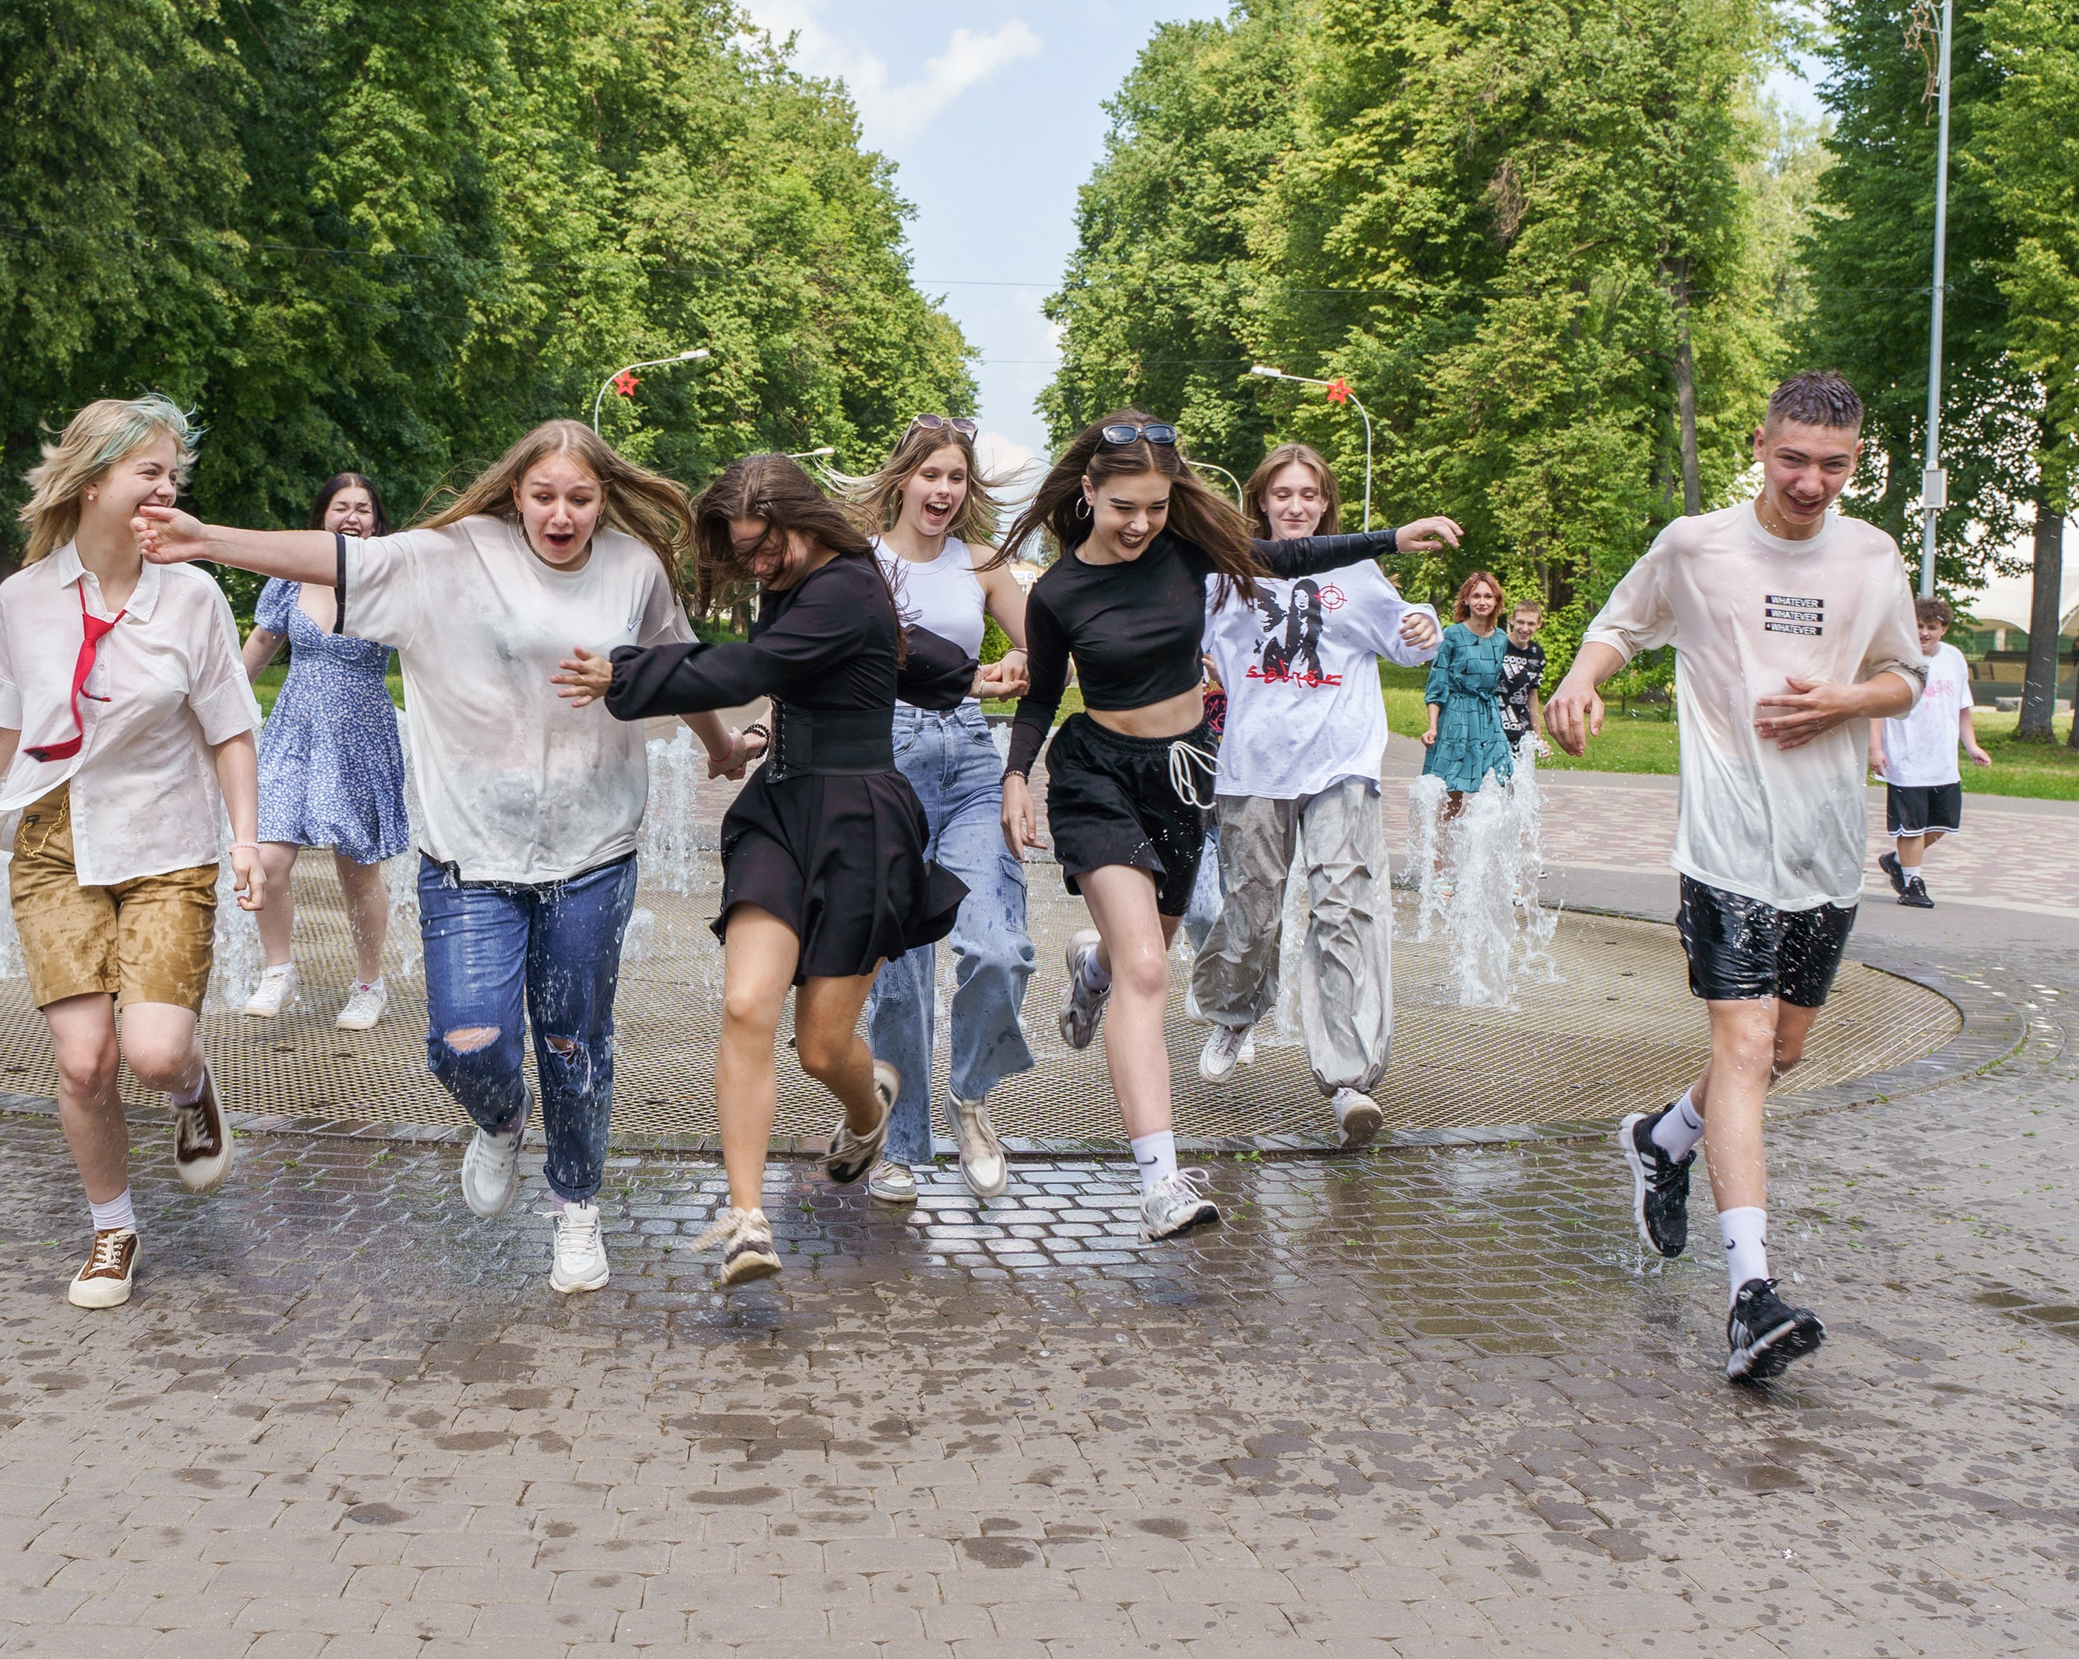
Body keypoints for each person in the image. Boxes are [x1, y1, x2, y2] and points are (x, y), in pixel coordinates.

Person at [134, 420, 739, 1296]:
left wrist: (719, 746)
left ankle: (576, 1209)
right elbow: (334, 560)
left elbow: (675, 665)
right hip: (470, 856)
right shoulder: (448, 557)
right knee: (466, 1043)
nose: (561, 515)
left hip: (593, 848)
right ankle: (500, 1119)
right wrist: (205, 539)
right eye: (544, 496)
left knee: (574, 1041)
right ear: (514, 493)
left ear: (604, 498)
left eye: (580, 498)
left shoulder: (631, 569)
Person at [993, 408, 1460, 1240]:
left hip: (1180, 778)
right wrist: (1015, 776)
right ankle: (1160, 1180)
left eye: (1157, 507)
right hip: (1095, 775)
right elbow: (1039, 696)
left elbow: (1295, 557)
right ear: (1090, 492)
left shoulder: (1194, 560)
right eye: (1124, 506)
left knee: (1142, 954)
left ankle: (1090, 969)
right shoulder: (1059, 591)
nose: (1141, 524)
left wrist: (1393, 538)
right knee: (1149, 968)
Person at [1546, 371, 1923, 1383]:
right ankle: (1750, 1294)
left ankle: (1663, 1139)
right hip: (1724, 843)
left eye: (1832, 465)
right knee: (1747, 1048)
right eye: (1791, 458)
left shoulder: (1871, 555)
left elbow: (1905, 676)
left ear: (1856, 461)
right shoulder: (1694, 545)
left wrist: (1847, 697)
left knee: (1784, 1051)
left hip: (1824, 843)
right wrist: (1582, 677)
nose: (1808, 481)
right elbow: (1621, 624)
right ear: (1759, 443)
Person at [557, 455, 974, 1286]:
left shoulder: (848, 583)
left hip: (859, 825)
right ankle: (747, 1220)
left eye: (764, 545)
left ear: (801, 520)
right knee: (746, 1003)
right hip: (780, 814)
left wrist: (628, 672)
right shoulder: (806, 582)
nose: (756, 563)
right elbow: (849, 667)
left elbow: (752, 668)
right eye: (742, 550)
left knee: (823, 1048)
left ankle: (870, 1108)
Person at [0, 395, 263, 1311]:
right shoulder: (25, 600)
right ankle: (113, 1230)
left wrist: (246, 838)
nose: (167, 487)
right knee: (85, 1061)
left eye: (175, 474)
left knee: (154, 1053)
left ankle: (193, 1091)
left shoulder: (195, 595)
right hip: (53, 844)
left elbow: (228, 727)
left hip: (168, 843)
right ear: (96, 479)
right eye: (150, 471)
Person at [1188, 442, 1442, 1145]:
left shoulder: (1356, 572)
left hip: (1341, 770)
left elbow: (1407, 638)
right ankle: (1233, 1013)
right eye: (1282, 495)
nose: (1297, 506)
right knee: (1253, 913)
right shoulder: (1227, 576)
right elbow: (1180, 640)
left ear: (1326, 502)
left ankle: (1348, 1080)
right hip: (1253, 771)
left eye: (1309, 495)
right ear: (1261, 503)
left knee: (1343, 912)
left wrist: (1425, 626)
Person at [838, 417, 1036, 1205]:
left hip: (969, 766)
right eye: (932, 476)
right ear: (901, 481)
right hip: (882, 762)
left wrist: (1021, 658)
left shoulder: (981, 563)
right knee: (899, 974)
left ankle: (972, 1097)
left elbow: (1047, 658)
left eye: (957, 478)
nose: (945, 492)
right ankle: (902, 1144)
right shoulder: (859, 565)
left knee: (1000, 948)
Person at [238, 472, 408, 1028]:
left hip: (361, 732)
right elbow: (261, 646)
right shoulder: (290, 579)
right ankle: (278, 971)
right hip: (294, 730)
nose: (352, 516)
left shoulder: (391, 581)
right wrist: (217, 714)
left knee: (358, 870)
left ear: (378, 523)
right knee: (268, 860)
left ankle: (369, 984)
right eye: (341, 506)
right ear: (322, 517)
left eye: (363, 508)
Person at [1869, 596, 1990, 908]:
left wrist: (1971, 745)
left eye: (1931, 627)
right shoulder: (1896, 658)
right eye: (1918, 625)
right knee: (1910, 824)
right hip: (1906, 756)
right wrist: (1875, 748)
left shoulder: (1953, 658)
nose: (1924, 632)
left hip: (1942, 758)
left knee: (1943, 822)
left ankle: (1897, 861)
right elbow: (1877, 708)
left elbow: (1963, 708)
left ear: (1944, 629)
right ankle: (1912, 883)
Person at [1421, 572, 1515, 811]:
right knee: (1452, 789)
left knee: (1504, 775)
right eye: (1476, 596)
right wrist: (1433, 727)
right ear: (1466, 600)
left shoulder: (1502, 638)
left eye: (1487, 596)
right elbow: (1437, 684)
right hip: (1457, 714)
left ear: (1496, 601)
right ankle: (1444, 845)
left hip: (1488, 714)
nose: (1482, 601)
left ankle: (1490, 837)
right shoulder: (1453, 635)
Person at [1497, 597, 1549, 751]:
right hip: (1494, 726)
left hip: (1521, 729)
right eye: (1520, 622)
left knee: (1520, 774)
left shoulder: (1536, 653)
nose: (1525, 628)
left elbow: (1532, 696)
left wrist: (1539, 739)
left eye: (1531, 623)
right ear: (1512, 620)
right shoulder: (1497, 645)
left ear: (1538, 624)